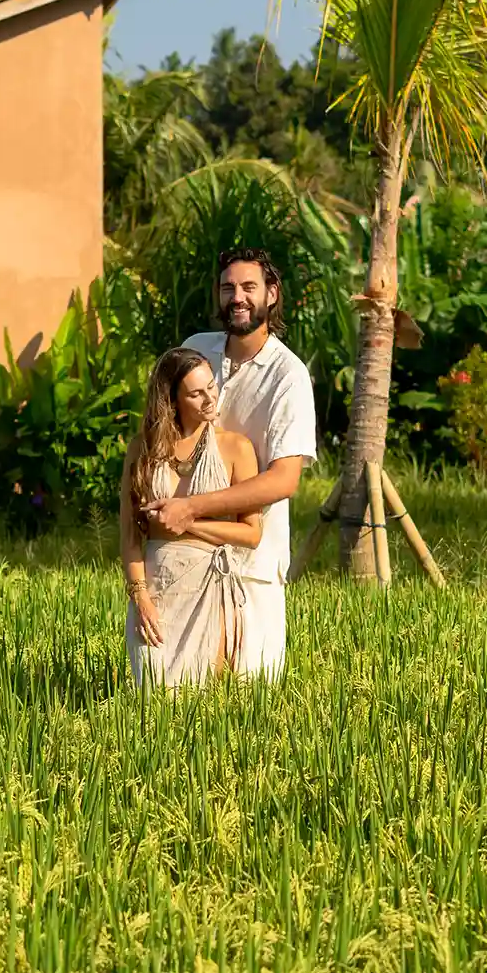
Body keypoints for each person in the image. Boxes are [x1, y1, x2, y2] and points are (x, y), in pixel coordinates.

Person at [143, 248, 317, 679]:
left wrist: (192, 508)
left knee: (246, 702)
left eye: (248, 287)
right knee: (169, 697)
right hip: (178, 558)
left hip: (249, 563)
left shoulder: (288, 375)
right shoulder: (194, 351)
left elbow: (284, 479)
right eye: (227, 288)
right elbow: (158, 436)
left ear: (272, 295)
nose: (237, 297)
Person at [121, 347, 262, 688]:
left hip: (210, 584)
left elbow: (251, 534)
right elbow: (129, 535)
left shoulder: (235, 448)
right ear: (171, 400)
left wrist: (189, 522)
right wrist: (140, 597)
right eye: (196, 393)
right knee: (154, 700)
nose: (209, 399)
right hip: (157, 586)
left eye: (212, 387)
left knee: (206, 701)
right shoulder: (143, 449)